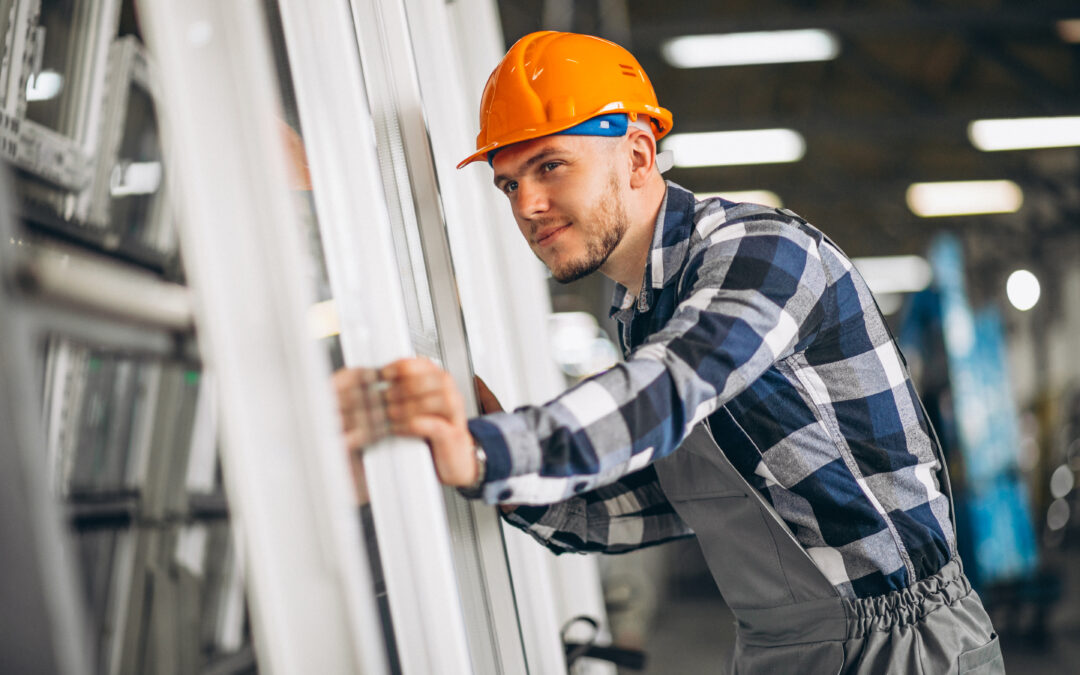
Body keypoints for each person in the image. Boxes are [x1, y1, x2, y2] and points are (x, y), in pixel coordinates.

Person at [336, 31, 1004, 674]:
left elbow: (672, 385)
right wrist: (513, 491)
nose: (528, 205)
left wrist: (493, 448)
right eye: (508, 183)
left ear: (636, 154)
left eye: (550, 166)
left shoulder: (759, 252)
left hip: (902, 646)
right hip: (781, 645)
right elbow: (676, 500)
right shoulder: (640, 312)